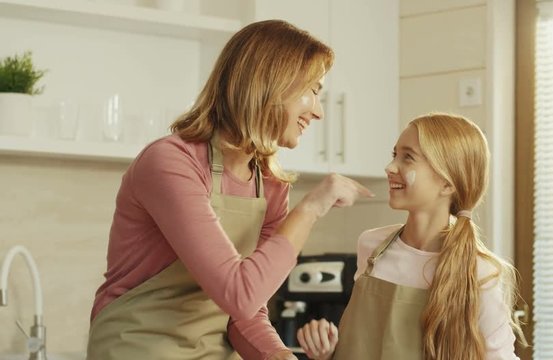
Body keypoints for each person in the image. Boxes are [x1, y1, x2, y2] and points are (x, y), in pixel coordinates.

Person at [86, 20, 373, 360]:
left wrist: (278, 355)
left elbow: (247, 312)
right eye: (312, 90)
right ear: (271, 83)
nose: (319, 111)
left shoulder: (270, 184)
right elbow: (239, 293)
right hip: (137, 347)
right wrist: (310, 209)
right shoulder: (169, 163)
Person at [296, 113, 523, 360]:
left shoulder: (479, 272)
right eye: (394, 155)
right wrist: (328, 353)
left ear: (447, 184)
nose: (390, 167)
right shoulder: (370, 247)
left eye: (408, 157)